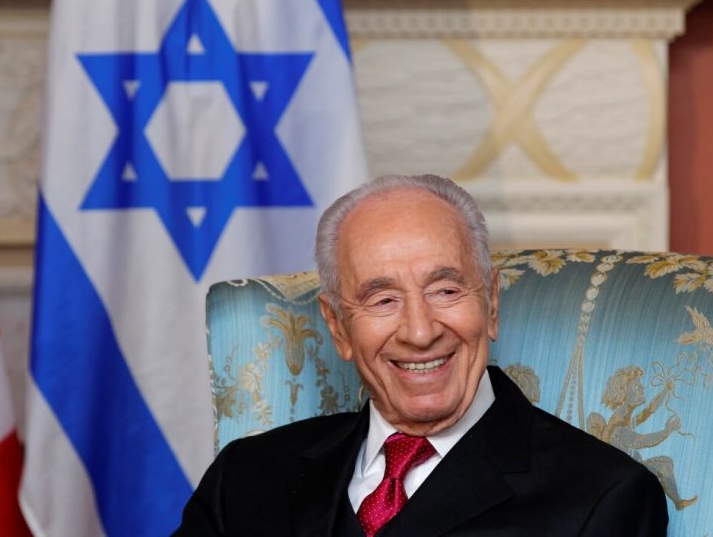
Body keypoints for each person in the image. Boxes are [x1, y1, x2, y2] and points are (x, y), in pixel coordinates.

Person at [174, 174, 668, 536]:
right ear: (338, 327)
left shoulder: (602, 499)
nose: (419, 331)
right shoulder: (246, 477)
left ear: (491, 303)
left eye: (446, 290)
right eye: (382, 299)